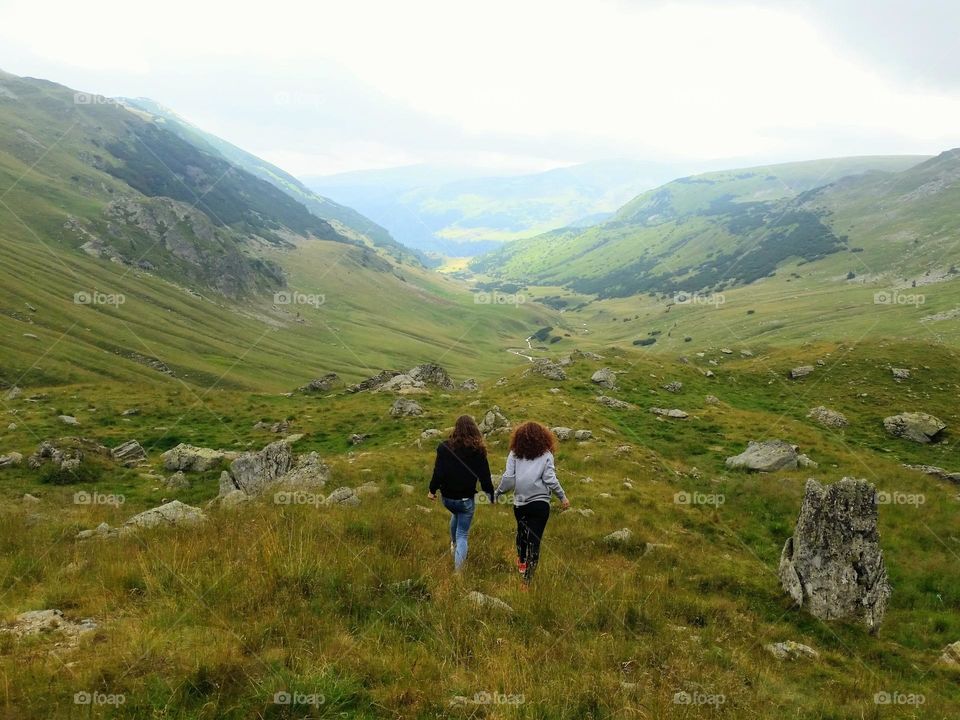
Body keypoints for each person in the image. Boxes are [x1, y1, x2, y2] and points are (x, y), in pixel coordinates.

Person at [495, 421, 569, 585]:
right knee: (535, 540)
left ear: (519, 438)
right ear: (544, 438)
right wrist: (562, 497)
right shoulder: (547, 455)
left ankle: (521, 562)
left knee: (521, 532)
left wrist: (498, 493)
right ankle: (527, 581)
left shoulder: (514, 453)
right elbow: (550, 479)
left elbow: (508, 478)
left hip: (520, 504)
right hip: (540, 504)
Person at [428, 415, 495, 571]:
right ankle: (458, 574)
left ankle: (453, 544)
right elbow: (485, 477)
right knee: (463, 534)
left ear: (456, 429)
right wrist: (490, 496)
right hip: (466, 500)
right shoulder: (478, 450)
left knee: (455, 514)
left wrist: (432, 491)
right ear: (474, 430)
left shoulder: (444, 447)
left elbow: (438, 472)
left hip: (448, 499)